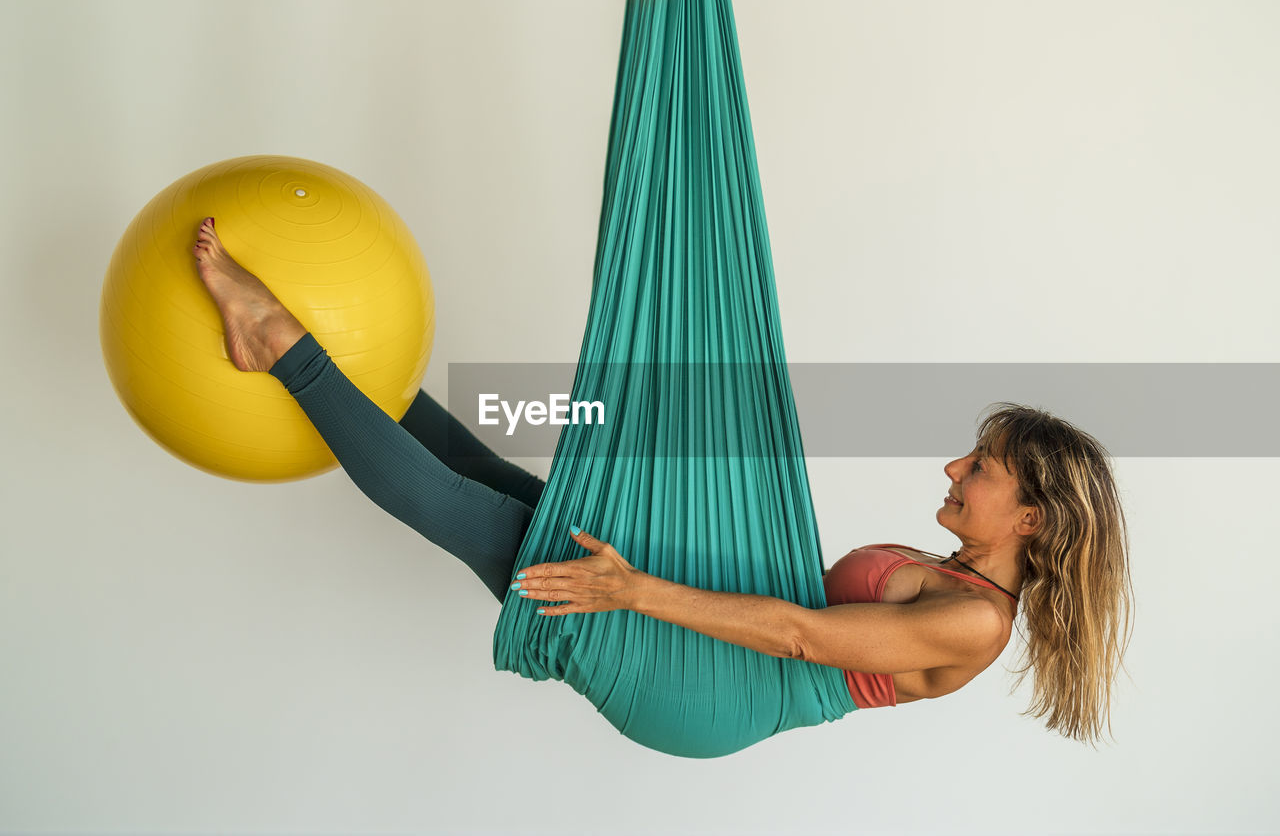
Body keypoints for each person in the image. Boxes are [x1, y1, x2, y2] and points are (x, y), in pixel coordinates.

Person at [192, 216, 1133, 745]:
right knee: (495, 486)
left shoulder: (976, 617)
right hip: (724, 654)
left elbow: (806, 635)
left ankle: (281, 342)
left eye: (980, 467)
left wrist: (633, 589)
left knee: (469, 518)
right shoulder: (957, 569)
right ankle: (350, 377)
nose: (953, 468)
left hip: (717, 691)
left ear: (1034, 518)